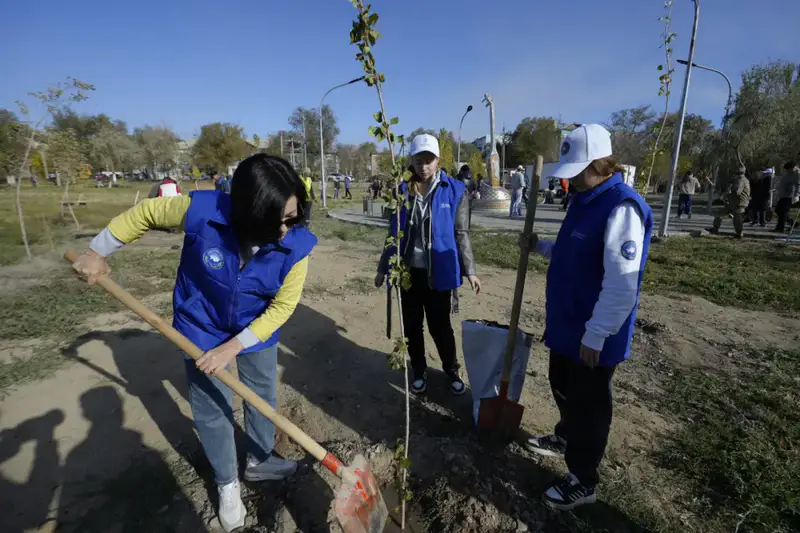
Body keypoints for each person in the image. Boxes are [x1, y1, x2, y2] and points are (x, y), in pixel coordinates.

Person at [70, 154, 315, 532]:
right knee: (212, 405)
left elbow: (282, 307)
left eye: (292, 216)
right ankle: (227, 482)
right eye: (277, 219)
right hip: (200, 325)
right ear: (248, 211)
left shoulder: (297, 244)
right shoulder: (203, 210)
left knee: (261, 394)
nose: (286, 228)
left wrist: (234, 346)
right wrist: (97, 251)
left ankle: (260, 459)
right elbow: (146, 213)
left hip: (255, 326)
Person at [521, 124, 653, 511]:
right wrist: (541, 246)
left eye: (577, 169)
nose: (571, 178)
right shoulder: (584, 199)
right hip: (567, 323)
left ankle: (583, 479)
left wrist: (596, 334)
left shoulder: (621, 207)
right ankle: (565, 436)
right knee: (561, 385)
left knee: (590, 407)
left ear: (599, 163)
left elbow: (622, 283)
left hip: (593, 334)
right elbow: (575, 253)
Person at [375, 134, 481, 395]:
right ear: (411, 160)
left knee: (440, 326)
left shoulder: (455, 189)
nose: (423, 166)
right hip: (408, 273)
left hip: (439, 273)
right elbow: (394, 231)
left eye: (429, 160)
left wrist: (470, 270)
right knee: (412, 326)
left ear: (438, 161)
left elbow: (461, 233)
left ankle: (451, 370)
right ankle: (419, 369)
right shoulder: (402, 190)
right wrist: (383, 268)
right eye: (418, 160)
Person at [710, 167, 750, 238]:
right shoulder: (742, 180)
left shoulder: (740, 180)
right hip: (733, 202)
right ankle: (715, 229)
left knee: (737, 219)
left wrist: (727, 195)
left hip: (738, 203)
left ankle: (739, 233)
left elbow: (737, 192)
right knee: (720, 214)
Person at [773, 161, 800, 233]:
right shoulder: (787, 174)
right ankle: (793, 223)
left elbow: (798, 185)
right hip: (783, 195)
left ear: (793, 168)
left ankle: (780, 228)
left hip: (790, 196)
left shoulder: (797, 174)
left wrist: (797, 195)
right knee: (777, 210)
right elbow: (782, 182)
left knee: (783, 211)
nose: (787, 171)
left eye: (788, 169)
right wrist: (776, 189)